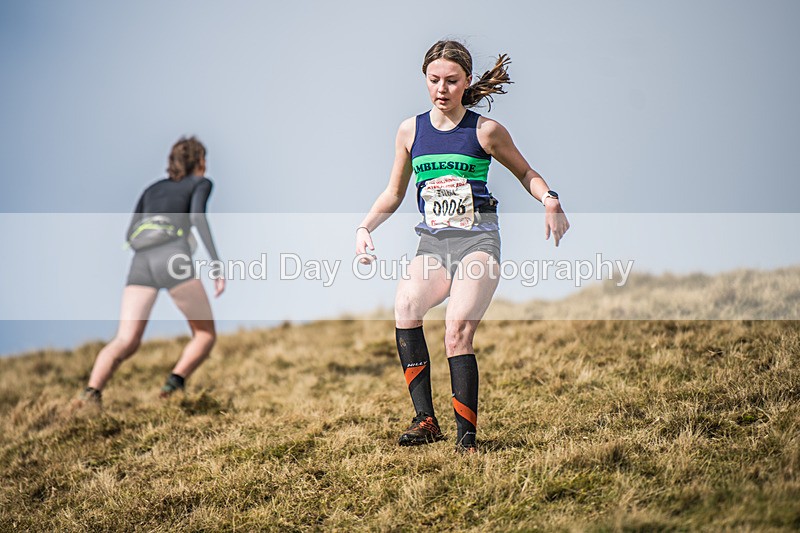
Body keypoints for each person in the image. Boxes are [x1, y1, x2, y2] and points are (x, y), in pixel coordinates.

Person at [355, 41, 569, 452]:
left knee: (456, 330)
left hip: (478, 243)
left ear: (466, 82)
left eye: (451, 81)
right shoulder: (410, 130)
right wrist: (365, 227)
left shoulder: (485, 131)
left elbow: (526, 172)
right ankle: (425, 420)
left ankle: (466, 441)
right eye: (434, 80)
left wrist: (549, 198)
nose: (442, 88)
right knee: (405, 308)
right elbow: (393, 193)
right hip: (433, 245)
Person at [80, 136, 225, 405]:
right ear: (200, 161)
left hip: (141, 261)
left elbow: (130, 232)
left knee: (126, 339)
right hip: (173, 257)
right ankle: (172, 386)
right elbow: (196, 217)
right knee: (205, 334)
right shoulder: (201, 183)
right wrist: (216, 264)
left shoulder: (151, 189)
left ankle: (90, 394)